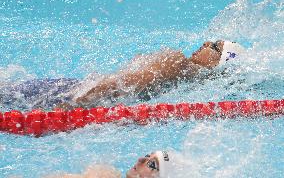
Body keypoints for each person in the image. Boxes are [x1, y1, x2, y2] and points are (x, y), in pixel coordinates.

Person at [66, 40, 245, 108]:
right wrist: (74, 104)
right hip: (77, 93)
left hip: (79, 94)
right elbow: (118, 84)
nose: (206, 43)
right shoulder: (177, 61)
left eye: (214, 46)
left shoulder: (180, 67)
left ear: (219, 63)